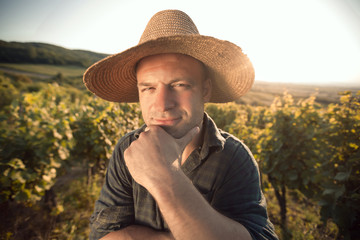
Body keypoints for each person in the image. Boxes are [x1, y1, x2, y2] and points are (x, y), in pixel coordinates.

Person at [84, 9, 278, 240]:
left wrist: (164, 176)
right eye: (149, 88)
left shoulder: (234, 156)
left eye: (179, 85)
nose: (163, 104)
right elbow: (102, 235)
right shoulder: (126, 149)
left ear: (205, 90)